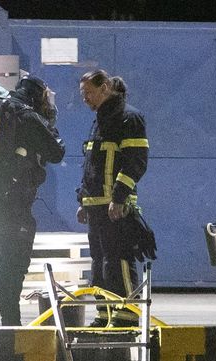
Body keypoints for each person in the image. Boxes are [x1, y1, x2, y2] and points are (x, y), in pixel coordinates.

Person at [0, 75, 64, 326]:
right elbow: (56, 152)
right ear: (37, 95)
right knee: (12, 268)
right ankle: (11, 325)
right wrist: (50, 120)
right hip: (14, 207)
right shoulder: (28, 117)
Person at [76, 70, 155, 328]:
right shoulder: (100, 119)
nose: (85, 99)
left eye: (89, 92)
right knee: (100, 262)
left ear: (105, 87)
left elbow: (136, 162)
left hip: (114, 207)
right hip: (96, 206)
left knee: (119, 259)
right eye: (83, 94)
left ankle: (127, 315)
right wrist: (83, 200)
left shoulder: (128, 118)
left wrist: (119, 198)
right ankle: (104, 314)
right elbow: (92, 164)